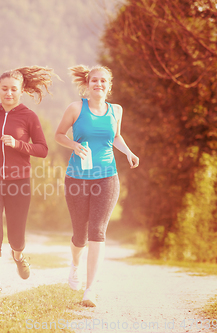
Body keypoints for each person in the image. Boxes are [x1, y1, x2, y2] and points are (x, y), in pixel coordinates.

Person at [55, 65, 139, 307]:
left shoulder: (116, 110)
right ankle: (75, 265)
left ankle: (90, 290)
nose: (98, 84)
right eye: (94, 80)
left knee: (98, 231)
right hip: (77, 177)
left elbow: (115, 137)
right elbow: (59, 134)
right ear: (88, 83)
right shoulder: (76, 108)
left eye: (103, 81)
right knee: (79, 236)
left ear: (108, 85)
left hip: (107, 177)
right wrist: (73, 145)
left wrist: (128, 153)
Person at [0, 66, 56, 302]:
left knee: (16, 238)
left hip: (18, 182)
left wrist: (17, 144)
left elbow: (42, 149)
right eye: (4, 89)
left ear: (21, 91)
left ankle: (19, 256)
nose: (8, 93)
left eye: (13, 89)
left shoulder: (29, 117)